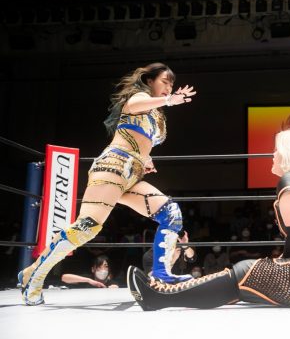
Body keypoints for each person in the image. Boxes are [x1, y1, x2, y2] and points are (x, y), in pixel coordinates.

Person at [18, 62, 197, 306]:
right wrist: (169, 100)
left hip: (132, 175)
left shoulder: (156, 114)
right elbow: (133, 106)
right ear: (149, 81)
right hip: (112, 166)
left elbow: (139, 139)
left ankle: (161, 275)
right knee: (87, 227)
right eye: (164, 81)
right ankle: (33, 275)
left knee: (171, 213)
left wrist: (146, 158)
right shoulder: (139, 97)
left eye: (171, 84)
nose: (169, 87)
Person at [127, 128, 290, 310]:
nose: (273, 155)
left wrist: (277, 267)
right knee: (249, 278)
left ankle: (160, 297)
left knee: (248, 271)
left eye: (277, 150)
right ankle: (166, 293)